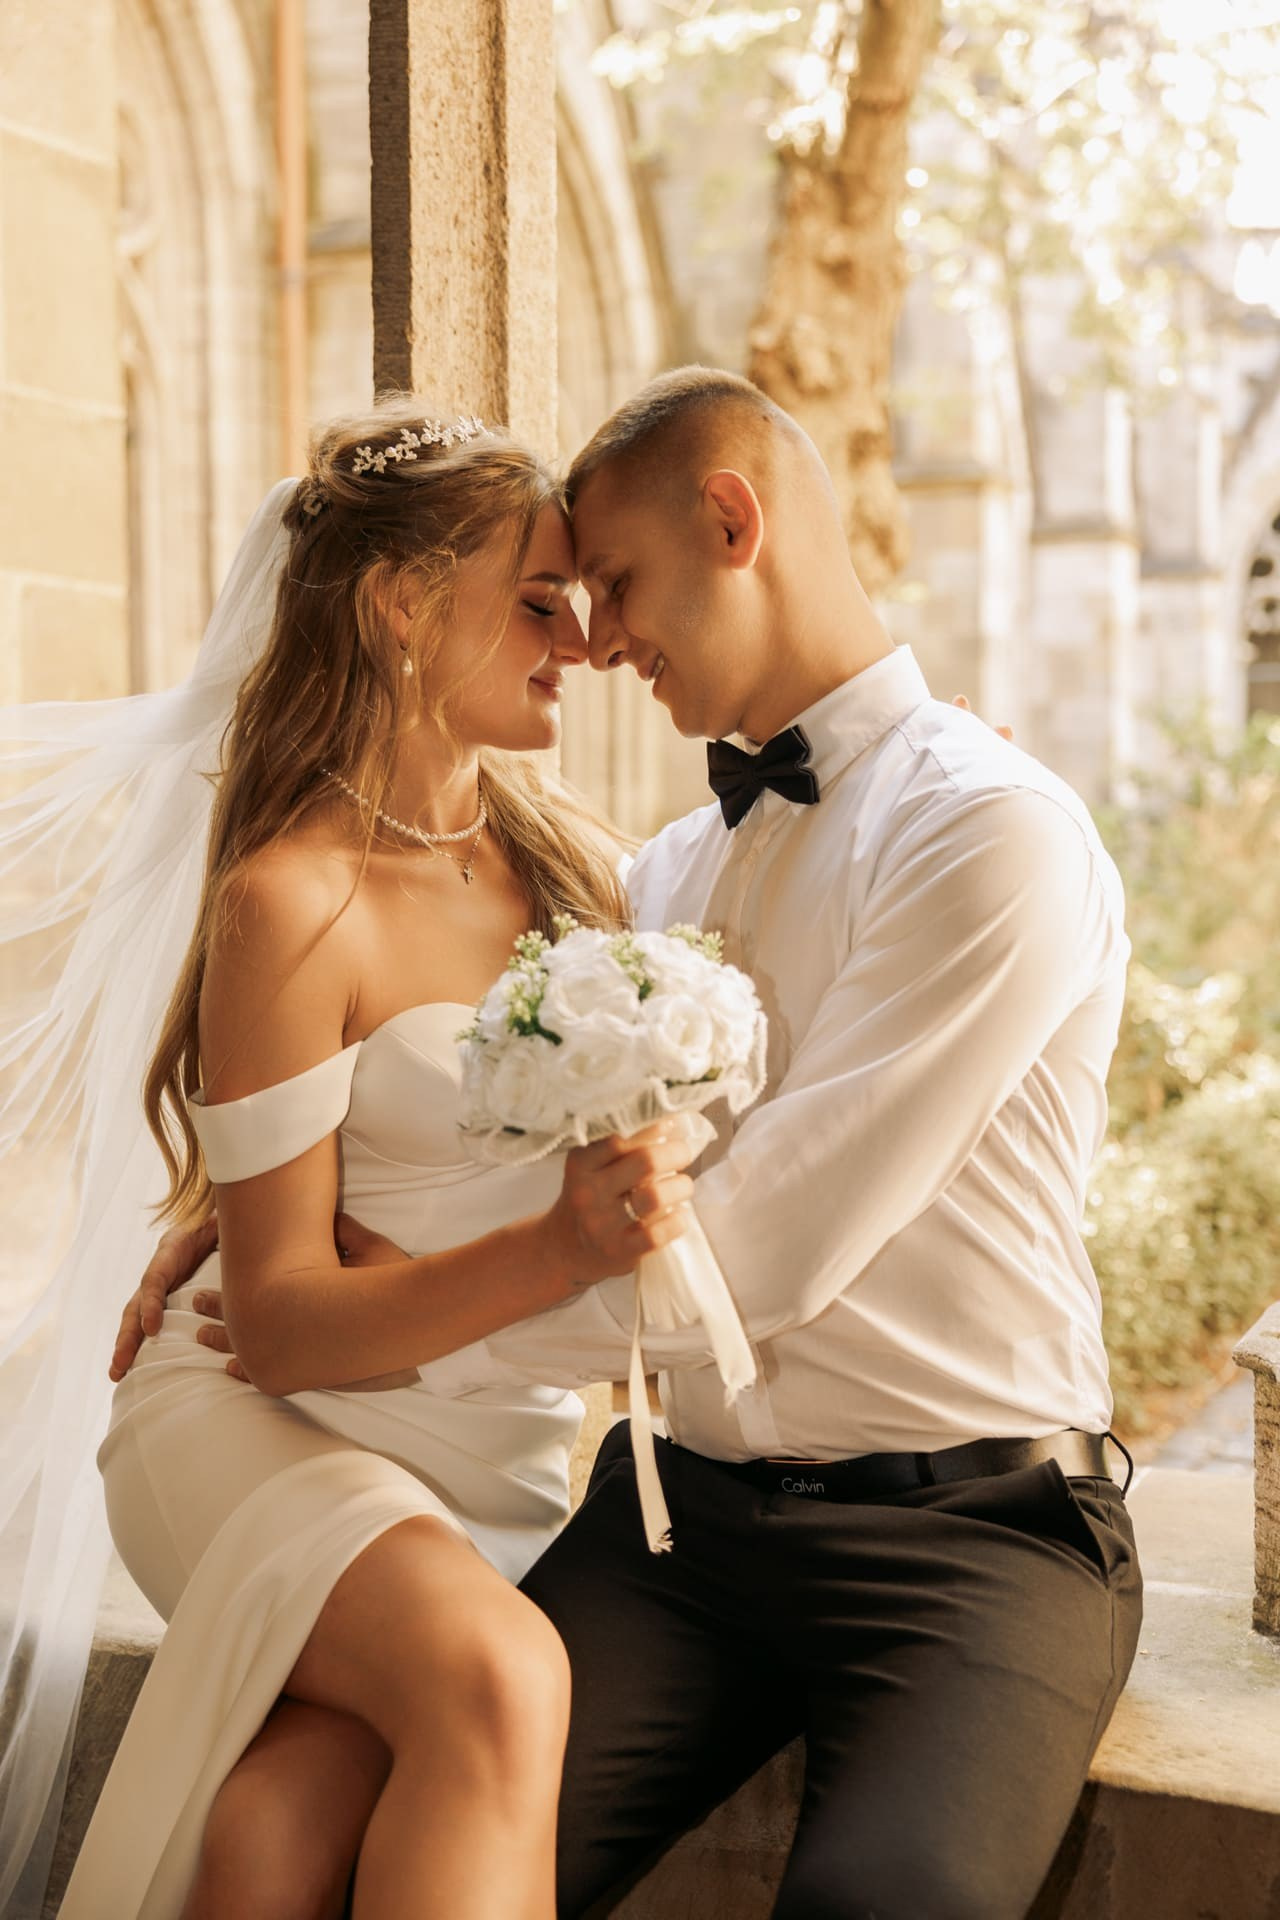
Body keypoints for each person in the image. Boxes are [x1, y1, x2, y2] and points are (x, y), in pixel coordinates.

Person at [123, 367, 1142, 1920]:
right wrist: (263, 1230)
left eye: (608, 583)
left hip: (975, 1530)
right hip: (687, 1522)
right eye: (557, 600)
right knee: (341, 1833)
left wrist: (375, 1328)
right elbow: (463, 1111)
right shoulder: (646, 881)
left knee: (883, 1905)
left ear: (733, 521)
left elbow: (770, 1252)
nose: (595, 640)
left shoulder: (988, 828)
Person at [1, 400, 705, 1920]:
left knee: (279, 1826)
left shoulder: (589, 876)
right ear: (399, 605)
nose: (584, 641)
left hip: (482, 1442)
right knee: (503, 1677)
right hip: (259, 1420)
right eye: (539, 599)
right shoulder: (292, 898)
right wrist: (553, 1253)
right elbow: (272, 1328)